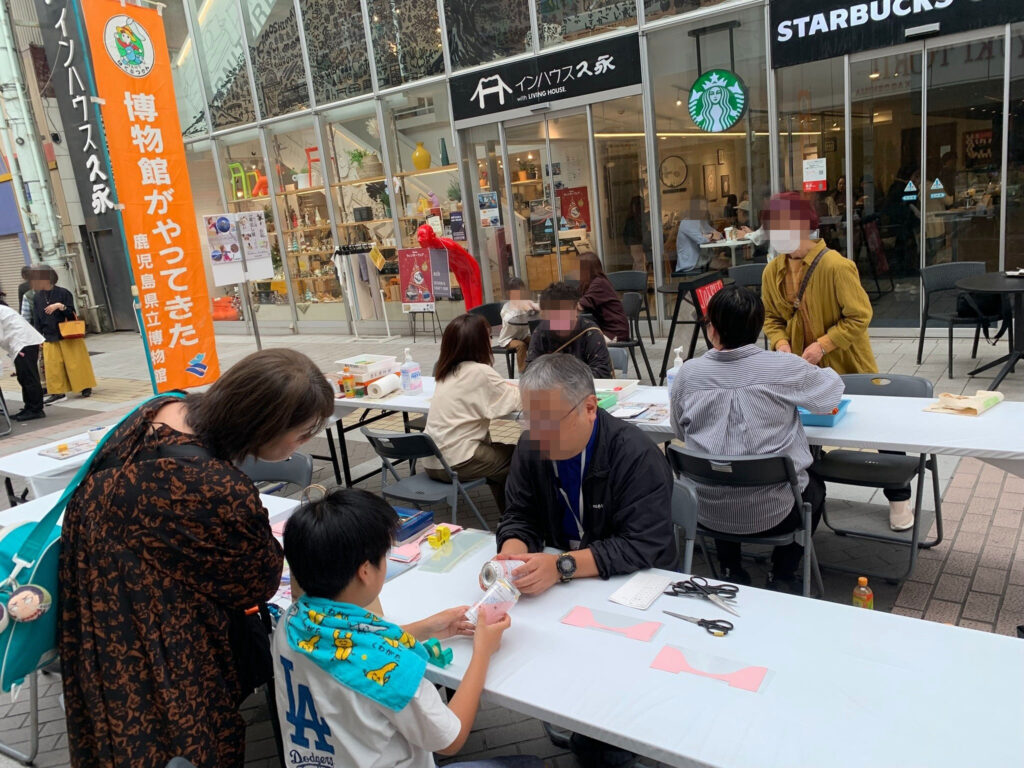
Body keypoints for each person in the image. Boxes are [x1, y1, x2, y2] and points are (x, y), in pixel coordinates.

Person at [60, 349, 335, 768]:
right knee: (181, 745)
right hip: (157, 642)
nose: (303, 444)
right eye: (301, 435)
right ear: (264, 426)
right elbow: (258, 582)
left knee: (113, 736)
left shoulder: (160, 408)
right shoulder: (217, 486)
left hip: (93, 606)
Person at [274, 487, 539, 768]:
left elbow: (349, 645)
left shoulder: (290, 622)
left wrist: (427, 628)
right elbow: (452, 738)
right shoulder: (390, 673)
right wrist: (483, 652)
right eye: (384, 556)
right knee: (531, 764)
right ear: (365, 571)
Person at [670, 285, 844, 590]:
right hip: (778, 513)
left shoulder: (688, 373)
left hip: (705, 510)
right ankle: (783, 573)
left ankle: (730, 568)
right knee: (814, 487)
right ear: (759, 327)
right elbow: (830, 395)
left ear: (712, 329)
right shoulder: (785, 366)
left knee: (721, 469)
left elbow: (679, 430)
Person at [759, 195, 910, 531]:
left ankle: (899, 496)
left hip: (847, 363)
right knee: (803, 430)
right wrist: (781, 343)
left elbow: (859, 316)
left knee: (877, 427)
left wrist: (822, 345)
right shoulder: (772, 271)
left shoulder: (836, 266)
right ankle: (812, 494)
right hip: (800, 368)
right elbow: (771, 317)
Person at [495, 353, 676, 593]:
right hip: (565, 582)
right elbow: (520, 515)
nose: (538, 435)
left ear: (589, 408)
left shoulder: (636, 454)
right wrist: (510, 559)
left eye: (549, 422)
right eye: (530, 420)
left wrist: (561, 566)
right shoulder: (530, 447)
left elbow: (641, 543)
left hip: (632, 582)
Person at [424, 313, 521, 512]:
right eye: (489, 337)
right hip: (459, 461)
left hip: (432, 462)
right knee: (523, 456)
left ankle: (508, 516)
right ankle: (521, 517)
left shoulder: (444, 372)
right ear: (478, 343)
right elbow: (518, 401)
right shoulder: (480, 372)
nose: (491, 342)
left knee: (499, 458)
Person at [30, 265, 96, 403]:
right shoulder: (37, 297)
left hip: (68, 334)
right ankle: (57, 392)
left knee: (76, 363)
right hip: (49, 336)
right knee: (53, 367)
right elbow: (36, 319)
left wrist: (60, 306)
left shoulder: (63, 293)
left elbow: (72, 314)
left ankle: (84, 386)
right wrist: (38, 337)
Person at [526, 282, 611, 379]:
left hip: (584, 386)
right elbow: (530, 370)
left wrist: (564, 381)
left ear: (575, 309)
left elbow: (601, 373)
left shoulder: (591, 333)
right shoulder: (541, 332)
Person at [0, 303, 45, 420]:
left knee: (29, 377)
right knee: (24, 377)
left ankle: (36, 409)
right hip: (23, 342)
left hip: (24, 343)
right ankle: (29, 407)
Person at [576, 251, 628, 342]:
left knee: (576, 341)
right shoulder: (589, 283)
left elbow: (579, 306)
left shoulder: (599, 284)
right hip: (602, 330)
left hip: (613, 333)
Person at [495, 276, 538, 373]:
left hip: (522, 336)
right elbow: (509, 319)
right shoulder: (507, 307)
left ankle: (535, 367)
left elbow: (535, 308)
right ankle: (523, 372)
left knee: (536, 340)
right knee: (521, 346)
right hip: (508, 339)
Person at [674, 197, 722, 274]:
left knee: (727, 262)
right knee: (727, 264)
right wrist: (710, 236)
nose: (705, 209)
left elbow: (718, 235)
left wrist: (710, 235)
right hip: (691, 263)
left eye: (706, 206)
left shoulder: (701, 222)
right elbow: (701, 240)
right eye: (702, 206)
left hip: (703, 259)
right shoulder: (687, 222)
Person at [623, 195, 651, 272]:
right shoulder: (633, 220)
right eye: (642, 205)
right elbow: (639, 234)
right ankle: (639, 279)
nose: (643, 208)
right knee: (640, 265)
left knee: (638, 264)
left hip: (635, 244)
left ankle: (636, 278)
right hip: (636, 244)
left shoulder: (634, 218)